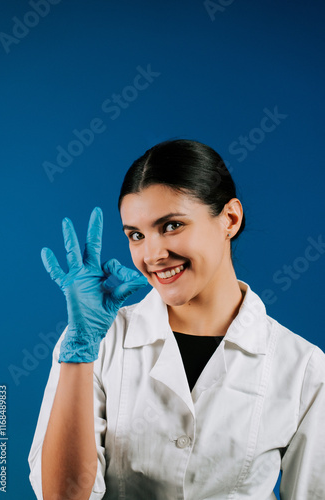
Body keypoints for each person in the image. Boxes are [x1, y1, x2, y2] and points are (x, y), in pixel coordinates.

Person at [29, 139, 325, 500]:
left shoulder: (304, 368)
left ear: (230, 219)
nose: (153, 254)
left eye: (171, 226)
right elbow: (62, 496)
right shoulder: (94, 342)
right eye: (136, 235)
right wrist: (80, 351)